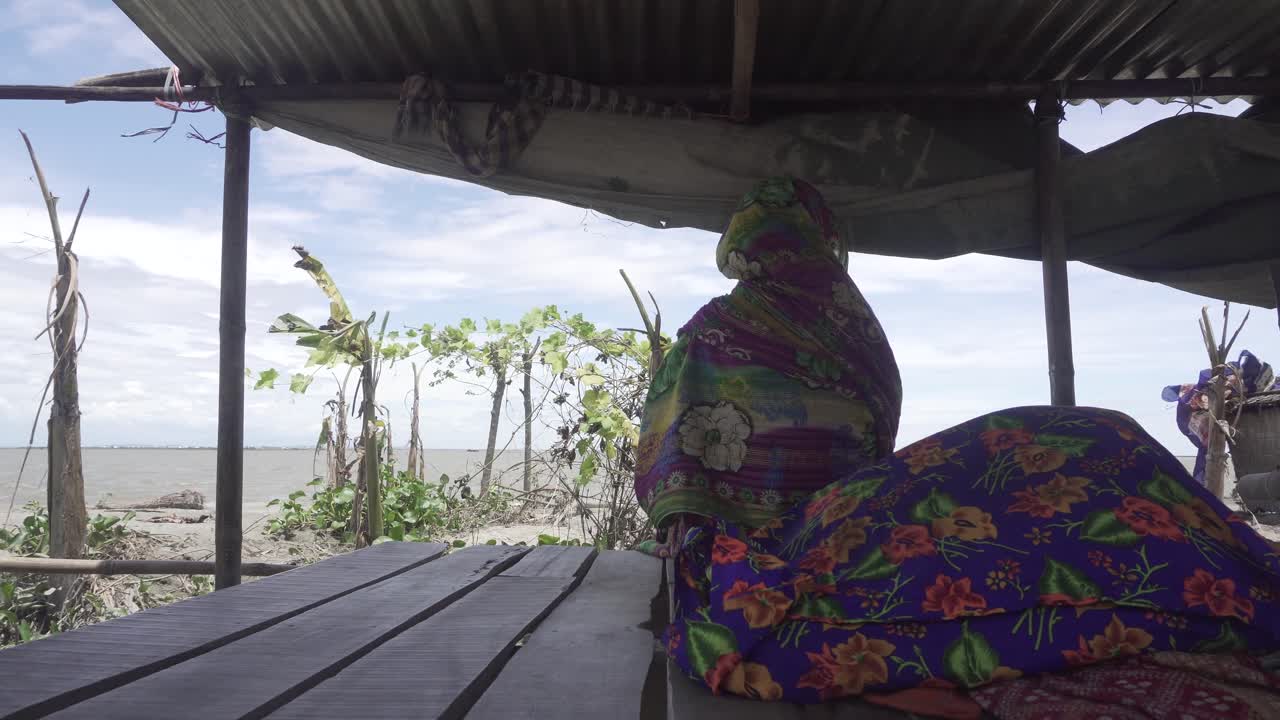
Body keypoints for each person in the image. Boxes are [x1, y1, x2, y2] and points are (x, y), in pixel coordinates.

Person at [636, 177, 1280, 706]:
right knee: (1093, 459)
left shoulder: (714, 331)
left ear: (739, 244)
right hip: (863, 511)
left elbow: (673, 462)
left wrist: (704, 538)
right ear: (824, 237)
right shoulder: (857, 329)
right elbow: (877, 436)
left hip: (833, 527)